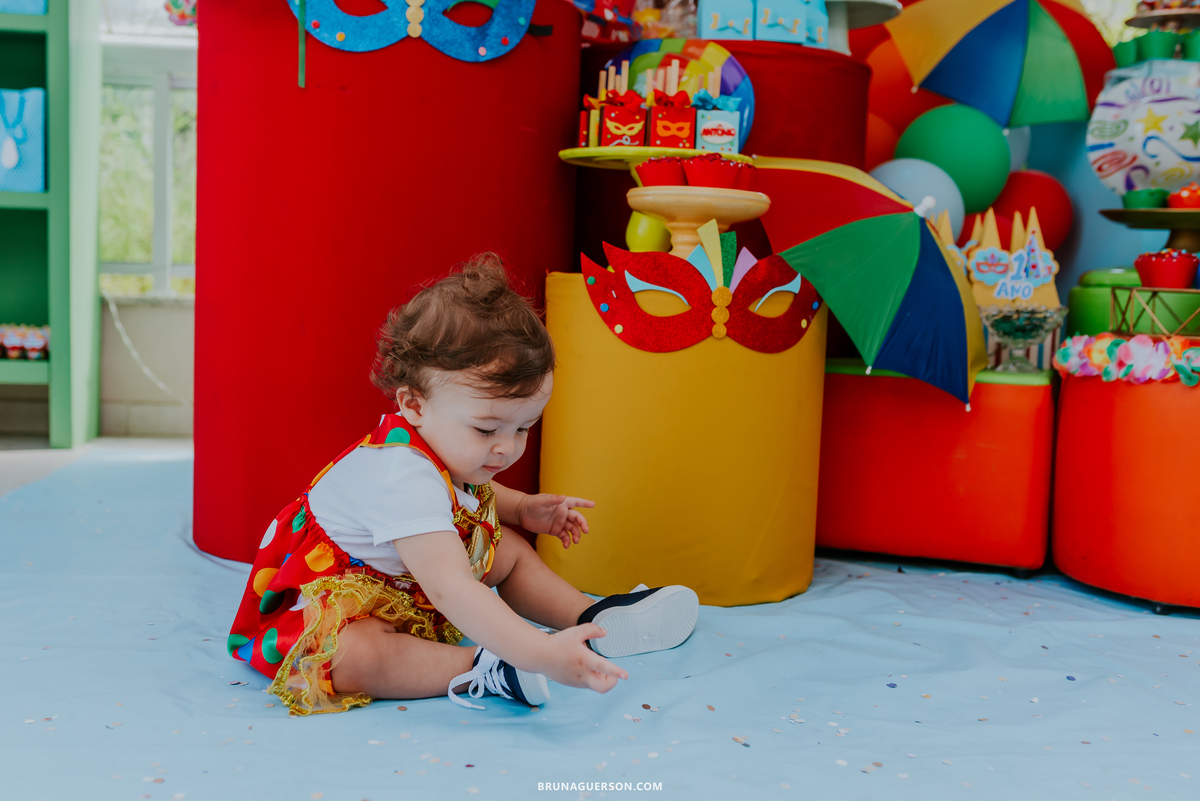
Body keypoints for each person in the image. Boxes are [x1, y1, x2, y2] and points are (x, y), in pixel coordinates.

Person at [228, 253, 699, 715]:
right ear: (413, 405)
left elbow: (458, 491)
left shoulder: (445, 439)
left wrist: (521, 509)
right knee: (353, 655)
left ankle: (591, 617)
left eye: (524, 427)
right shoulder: (400, 477)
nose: (507, 449)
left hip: (412, 579)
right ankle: (484, 668)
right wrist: (535, 652)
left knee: (507, 550)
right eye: (487, 429)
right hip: (338, 595)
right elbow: (452, 587)